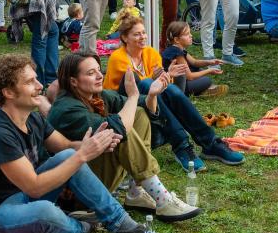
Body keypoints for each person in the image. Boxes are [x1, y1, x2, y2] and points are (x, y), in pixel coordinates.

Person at [0, 54, 174, 233]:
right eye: (29, 82)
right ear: (8, 92)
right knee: (44, 211)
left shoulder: (33, 119)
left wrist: (92, 145)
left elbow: (66, 146)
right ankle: (81, 227)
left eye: (36, 79)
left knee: (68, 157)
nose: (39, 86)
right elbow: (34, 187)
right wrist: (83, 155)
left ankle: (124, 228)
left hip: (23, 199)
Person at [48, 53, 200, 221]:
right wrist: (133, 96)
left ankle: (136, 192)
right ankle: (163, 200)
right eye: (91, 73)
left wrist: (152, 94)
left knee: (139, 114)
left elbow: (141, 105)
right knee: (117, 132)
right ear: (73, 81)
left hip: (91, 178)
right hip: (74, 196)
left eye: (99, 70)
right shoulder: (66, 108)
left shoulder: (97, 96)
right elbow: (118, 127)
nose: (99, 76)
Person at [103, 17, 244, 170]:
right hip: (123, 104)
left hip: (150, 100)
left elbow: (162, 86)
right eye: (137, 34)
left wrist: (168, 75)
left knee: (171, 90)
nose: (142, 37)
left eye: (143, 33)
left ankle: (210, 142)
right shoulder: (118, 58)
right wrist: (161, 78)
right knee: (147, 83)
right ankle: (182, 144)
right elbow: (134, 85)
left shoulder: (150, 53)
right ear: (125, 38)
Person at [160, 21, 228, 97]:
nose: (191, 36)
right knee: (207, 80)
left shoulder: (177, 49)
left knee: (198, 70)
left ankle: (205, 89)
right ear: (177, 40)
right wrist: (209, 71)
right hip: (178, 86)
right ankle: (200, 91)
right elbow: (190, 76)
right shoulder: (177, 53)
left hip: (180, 81)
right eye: (187, 34)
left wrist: (210, 62)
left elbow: (194, 62)